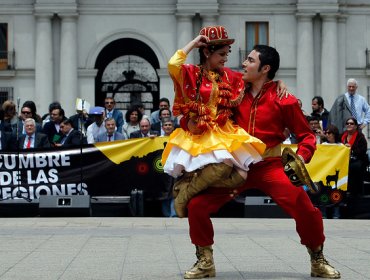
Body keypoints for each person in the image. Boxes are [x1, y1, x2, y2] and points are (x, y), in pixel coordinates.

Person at [181, 44, 340, 279]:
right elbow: (205, 86)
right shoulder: (233, 89)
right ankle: (205, 261)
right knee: (197, 205)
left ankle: (317, 258)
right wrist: (188, 123)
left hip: (270, 166)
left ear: (265, 68)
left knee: (306, 208)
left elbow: (307, 135)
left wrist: (301, 157)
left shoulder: (285, 100)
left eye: (250, 60)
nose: (243, 64)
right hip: (235, 166)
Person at [162, 26, 266, 219]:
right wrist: (194, 43)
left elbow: (257, 78)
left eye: (227, 54)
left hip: (222, 130)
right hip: (199, 131)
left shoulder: (228, 75)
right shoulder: (191, 73)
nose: (225, 58)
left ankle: (187, 188)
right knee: (224, 167)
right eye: (221, 54)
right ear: (207, 52)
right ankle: (185, 197)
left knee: (240, 177)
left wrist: (279, 83)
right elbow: (173, 64)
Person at [341, 117, 368, 197]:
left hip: (358, 160)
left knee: (352, 167)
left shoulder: (360, 136)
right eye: (347, 123)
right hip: (345, 160)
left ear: (356, 126)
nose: (349, 125)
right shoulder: (343, 136)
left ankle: (354, 192)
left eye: (351, 123)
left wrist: (351, 149)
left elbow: (363, 150)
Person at [321, 124, 342, 219]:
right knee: (324, 192)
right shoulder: (323, 145)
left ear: (335, 134)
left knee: (336, 192)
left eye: (329, 133)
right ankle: (323, 212)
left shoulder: (341, 146)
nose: (327, 135)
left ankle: (336, 212)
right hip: (325, 172)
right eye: (326, 133)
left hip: (337, 172)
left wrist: (347, 149)